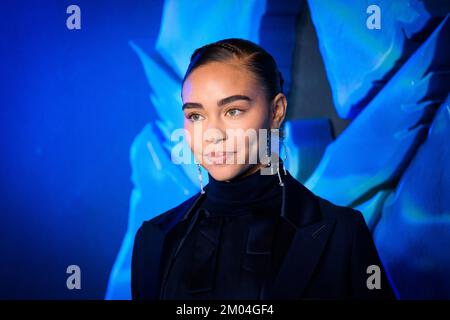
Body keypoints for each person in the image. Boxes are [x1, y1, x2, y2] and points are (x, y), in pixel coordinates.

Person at [131, 38, 396, 300]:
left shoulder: (341, 233)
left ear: (276, 111)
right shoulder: (154, 239)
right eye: (196, 116)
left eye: (233, 111)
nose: (212, 134)